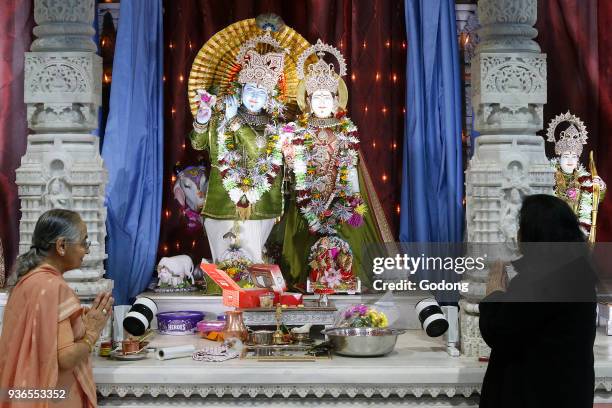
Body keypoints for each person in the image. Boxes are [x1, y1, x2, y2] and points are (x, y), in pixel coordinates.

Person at [479, 194, 597, 408]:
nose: (517, 235)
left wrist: (494, 291)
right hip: (568, 392)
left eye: (522, 227)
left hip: (535, 394)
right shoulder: (579, 271)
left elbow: (498, 332)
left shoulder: (541, 280)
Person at [0, 209, 114, 408]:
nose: (86, 251)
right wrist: (92, 332)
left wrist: (81, 324)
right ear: (61, 245)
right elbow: (67, 358)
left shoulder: (24, 283)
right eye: (83, 242)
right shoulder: (55, 288)